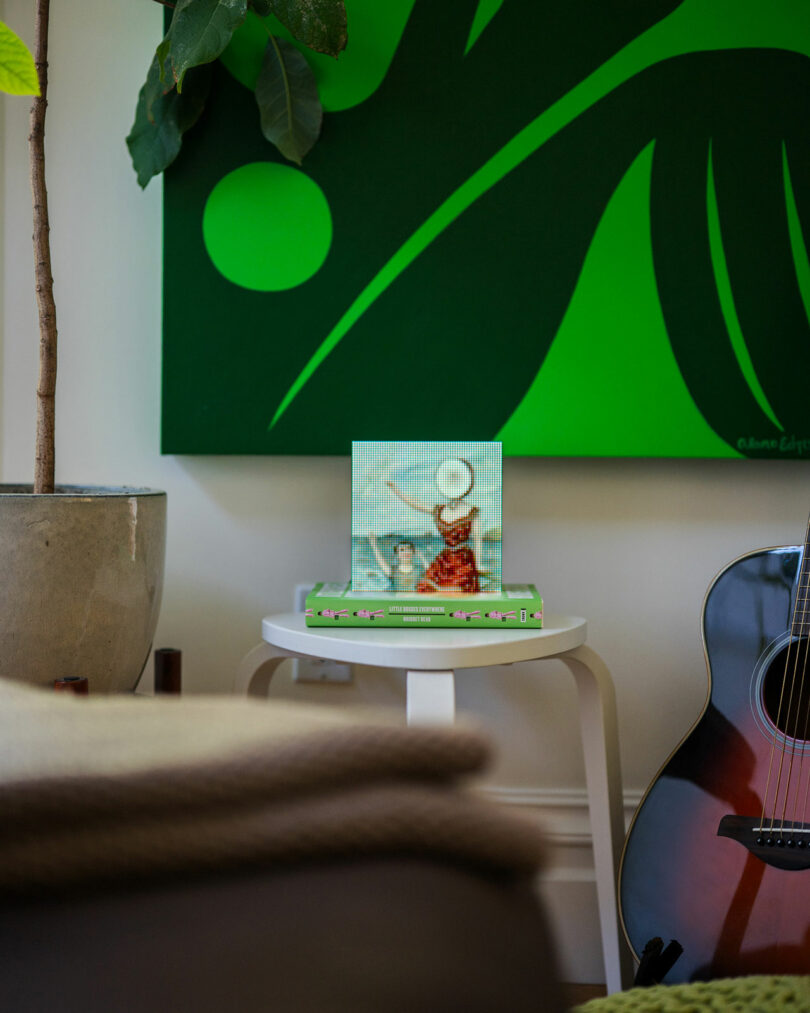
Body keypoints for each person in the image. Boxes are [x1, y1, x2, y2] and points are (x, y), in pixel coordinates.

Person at [386, 457, 482, 594]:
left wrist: (478, 564)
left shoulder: (472, 512)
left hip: (463, 561)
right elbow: (416, 504)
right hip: (445, 559)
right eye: (450, 481)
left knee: (458, 591)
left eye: (456, 481)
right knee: (428, 588)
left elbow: (478, 539)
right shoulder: (439, 510)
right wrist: (397, 490)